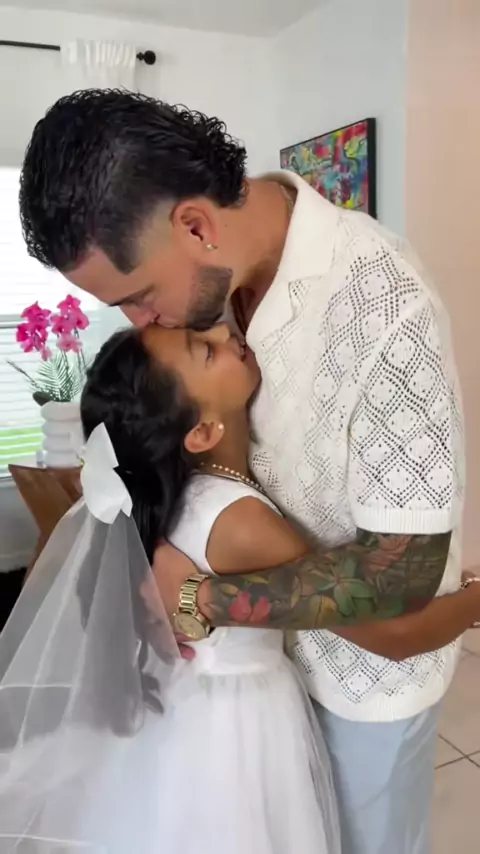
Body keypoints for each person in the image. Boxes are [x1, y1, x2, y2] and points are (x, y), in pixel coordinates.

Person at [19, 90, 464, 854]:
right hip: (265, 688)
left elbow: (404, 576)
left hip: (363, 691)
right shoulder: (204, 305)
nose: (142, 324)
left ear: (196, 226)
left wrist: (202, 598)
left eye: (138, 298)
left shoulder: (384, 305)